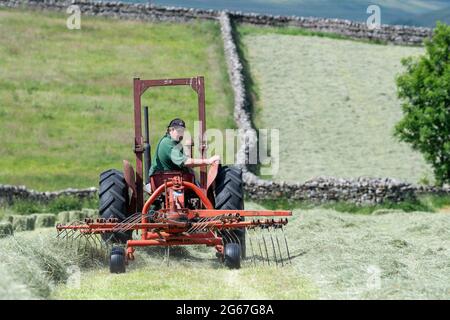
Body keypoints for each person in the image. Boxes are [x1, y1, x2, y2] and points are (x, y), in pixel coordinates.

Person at [145, 118, 220, 192]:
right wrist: (208, 161)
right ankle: (203, 195)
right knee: (193, 175)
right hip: (163, 179)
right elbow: (186, 162)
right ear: (171, 130)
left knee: (193, 173)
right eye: (179, 131)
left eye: (183, 131)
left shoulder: (174, 143)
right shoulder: (167, 143)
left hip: (170, 177)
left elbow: (185, 161)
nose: (181, 134)